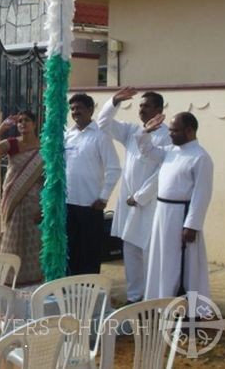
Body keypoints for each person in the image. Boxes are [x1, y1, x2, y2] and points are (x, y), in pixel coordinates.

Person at [97, 88, 170, 303]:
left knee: (149, 251)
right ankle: (134, 296)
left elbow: (162, 172)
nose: (141, 109)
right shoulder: (132, 131)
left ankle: (151, 297)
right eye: (140, 106)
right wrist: (114, 101)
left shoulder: (167, 135)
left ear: (158, 109)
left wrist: (140, 196)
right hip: (128, 203)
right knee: (130, 251)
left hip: (149, 203)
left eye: (146, 106)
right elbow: (103, 123)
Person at [139, 112, 213, 299]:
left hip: (181, 216)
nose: (170, 133)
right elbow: (146, 149)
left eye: (174, 130)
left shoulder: (200, 157)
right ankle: (160, 300)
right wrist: (146, 131)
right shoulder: (170, 151)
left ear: (189, 130)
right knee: (161, 259)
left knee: (179, 263)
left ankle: (184, 306)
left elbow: (202, 194)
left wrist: (191, 225)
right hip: (162, 213)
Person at [0, 110, 43, 285]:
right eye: (20, 121)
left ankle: (33, 286)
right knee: (13, 244)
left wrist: (44, 208)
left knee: (34, 246)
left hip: (35, 205)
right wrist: (2, 128)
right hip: (14, 203)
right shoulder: (12, 144)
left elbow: (49, 180)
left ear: (35, 124)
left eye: (27, 120)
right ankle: (10, 284)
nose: (23, 124)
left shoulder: (44, 148)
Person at [65, 93, 121, 275]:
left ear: (90, 109)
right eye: (72, 109)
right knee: (70, 251)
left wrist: (103, 198)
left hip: (91, 205)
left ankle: (89, 293)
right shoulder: (67, 135)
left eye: (79, 108)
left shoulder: (100, 136)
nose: (75, 112)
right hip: (67, 203)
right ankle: (69, 291)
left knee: (89, 252)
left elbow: (114, 169)